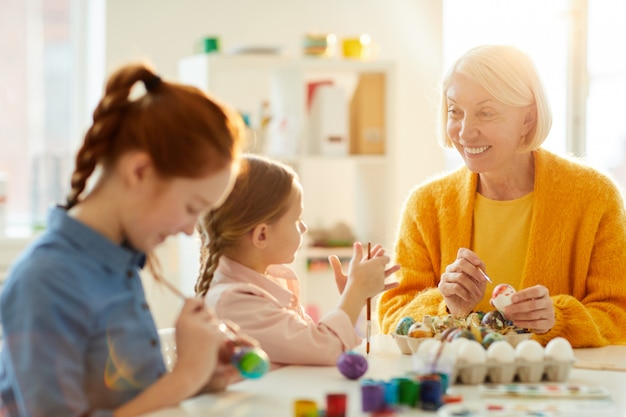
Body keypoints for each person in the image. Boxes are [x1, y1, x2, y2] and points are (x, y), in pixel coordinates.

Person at [0, 62, 256, 417]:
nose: (188, 229)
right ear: (139, 171)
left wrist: (203, 376)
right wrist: (183, 378)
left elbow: (120, 400)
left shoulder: (118, 263)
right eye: (191, 207)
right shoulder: (46, 280)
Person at [378, 44, 626, 348]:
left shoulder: (595, 197)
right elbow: (393, 314)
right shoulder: (426, 205)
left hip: (558, 391)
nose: (466, 132)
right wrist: (447, 308)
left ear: (528, 120)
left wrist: (558, 320)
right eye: (455, 112)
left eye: (486, 113)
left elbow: (619, 314)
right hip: (453, 389)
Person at [195, 154, 400, 365]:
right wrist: (356, 292)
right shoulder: (235, 302)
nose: (304, 227)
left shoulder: (270, 282)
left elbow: (311, 345)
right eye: (297, 218)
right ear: (262, 235)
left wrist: (353, 296)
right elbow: (326, 351)